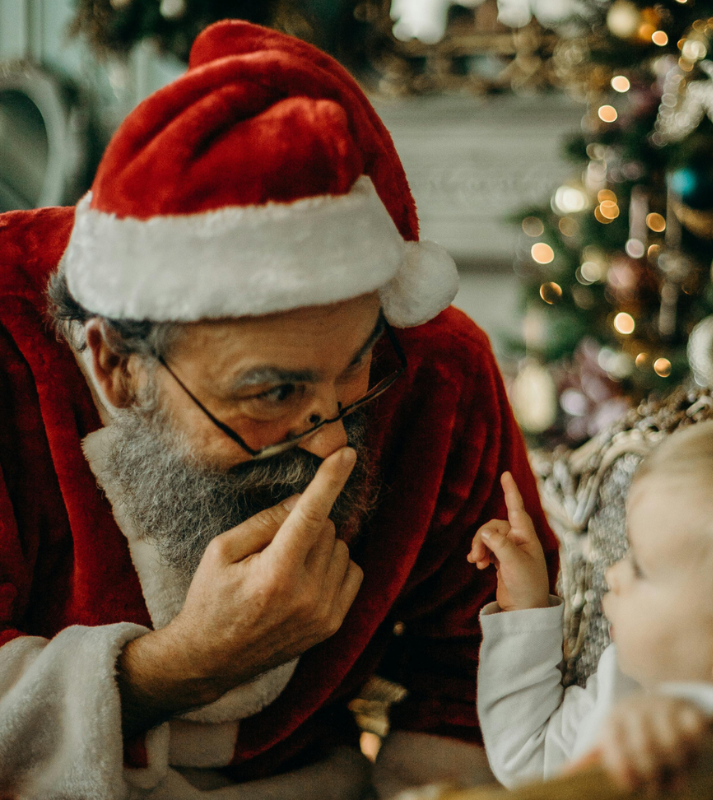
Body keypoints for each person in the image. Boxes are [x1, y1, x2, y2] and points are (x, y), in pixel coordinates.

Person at [0, 19, 560, 799]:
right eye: (272, 393)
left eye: (357, 366)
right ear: (116, 364)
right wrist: (182, 667)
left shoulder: (434, 366)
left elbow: (471, 676)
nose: (334, 441)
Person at [471, 417, 713, 793]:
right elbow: (531, 758)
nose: (613, 574)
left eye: (641, 568)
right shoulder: (628, 673)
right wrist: (525, 607)